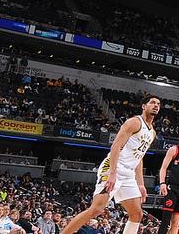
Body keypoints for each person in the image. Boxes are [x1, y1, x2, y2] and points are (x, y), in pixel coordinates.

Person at [62, 95, 160, 234]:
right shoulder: (134, 122)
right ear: (144, 106)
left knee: (137, 214)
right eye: (152, 102)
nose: (156, 105)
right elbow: (115, 146)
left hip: (128, 173)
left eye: (158, 104)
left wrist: (141, 183)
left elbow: (139, 156)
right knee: (96, 209)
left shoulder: (152, 132)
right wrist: (112, 173)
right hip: (113, 167)